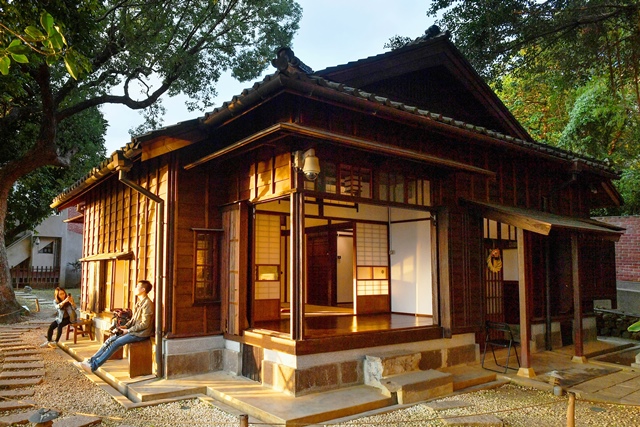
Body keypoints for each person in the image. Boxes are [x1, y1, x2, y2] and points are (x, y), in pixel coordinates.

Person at [74, 280, 154, 373]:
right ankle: (91, 361)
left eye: (137, 286)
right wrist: (124, 327)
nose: (135, 288)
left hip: (141, 334)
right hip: (133, 331)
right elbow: (133, 320)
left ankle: (93, 366)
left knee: (116, 343)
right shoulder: (139, 302)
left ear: (143, 289)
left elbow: (145, 324)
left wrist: (128, 331)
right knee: (109, 339)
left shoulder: (148, 304)